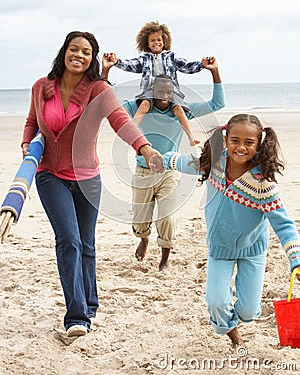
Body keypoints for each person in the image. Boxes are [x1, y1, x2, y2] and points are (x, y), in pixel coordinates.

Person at [20, 31, 157, 338]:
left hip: (87, 179)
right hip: (49, 174)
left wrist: (144, 147)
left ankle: (90, 304)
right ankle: (77, 317)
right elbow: (32, 122)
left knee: (87, 245)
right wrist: (27, 144)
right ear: (64, 52)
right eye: (74, 49)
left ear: (91, 58)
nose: (78, 55)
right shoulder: (41, 87)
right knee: (68, 241)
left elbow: (121, 120)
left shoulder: (99, 90)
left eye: (85, 52)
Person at [150, 114, 300, 349]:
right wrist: (162, 159)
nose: (241, 148)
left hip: (252, 251)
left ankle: (241, 320)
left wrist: (296, 260)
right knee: (217, 303)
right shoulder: (215, 162)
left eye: (249, 142)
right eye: (235, 141)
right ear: (226, 139)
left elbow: (284, 225)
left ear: (258, 143)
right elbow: (187, 162)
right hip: (219, 248)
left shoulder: (263, 186)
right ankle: (234, 337)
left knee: (249, 311)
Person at [103, 54, 225, 271]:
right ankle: (144, 238)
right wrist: (106, 71)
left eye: (169, 92)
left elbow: (218, 103)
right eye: (159, 91)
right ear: (151, 91)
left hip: (169, 173)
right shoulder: (139, 106)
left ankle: (164, 257)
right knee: (141, 220)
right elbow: (108, 103)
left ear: (174, 93)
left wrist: (214, 72)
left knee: (167, 217)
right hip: (142, 170)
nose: (164, 96)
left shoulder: (183, 111)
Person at [108, 20, 209, 146]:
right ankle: (131, 132)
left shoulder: (171, 57)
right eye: (153, 40)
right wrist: (116, 61)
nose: (156, 43)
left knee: (178, 109)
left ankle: (191, 137)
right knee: (144, 105)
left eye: (159, 40)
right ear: (147, 44)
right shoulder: (144, 59)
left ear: (164, 42)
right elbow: (130, 65)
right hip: (151, 91)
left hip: (170, 91)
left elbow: (186, 66)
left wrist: (201, 65)